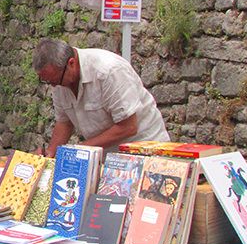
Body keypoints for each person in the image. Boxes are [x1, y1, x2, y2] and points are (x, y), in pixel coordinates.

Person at [32, 38, 168, 158]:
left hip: (145, 151)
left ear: (71, 63)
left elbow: (128, 126)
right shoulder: (59, 79)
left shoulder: (109, 71)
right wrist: (50, 153)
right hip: (107, 158)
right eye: (49, 82)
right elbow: (64, 122)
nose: (54, 86)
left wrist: (79, 149)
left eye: (56, 81)